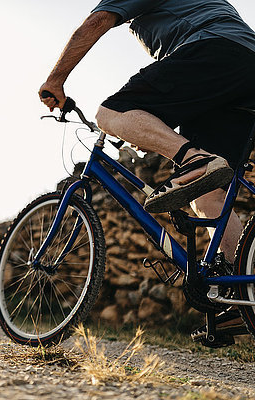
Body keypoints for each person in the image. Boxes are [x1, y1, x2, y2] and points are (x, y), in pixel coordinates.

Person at [39, 0, 255, 345]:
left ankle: (193, 159)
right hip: (241, 71)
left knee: (111, 113)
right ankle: (240, 296)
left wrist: (55, 79)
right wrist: (148, 128)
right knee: (209, 196)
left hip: (213, 50)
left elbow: (96, 23)